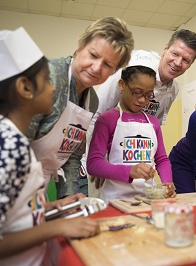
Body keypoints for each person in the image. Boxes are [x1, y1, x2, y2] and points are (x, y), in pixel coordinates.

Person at [0, 27, 100, 266]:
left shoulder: (11, 141)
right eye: (46, 80)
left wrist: (48, 209)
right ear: (25, 88)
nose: (54, 87)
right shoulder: (2, 144)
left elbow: (12, 220)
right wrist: (57, 227)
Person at [26, 17, 134, 199]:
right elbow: (14, 146)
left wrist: (68, 201)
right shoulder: (46, 79)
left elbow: (70, 154)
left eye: (108, 65)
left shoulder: (91, 101)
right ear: (79, 47)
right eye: (93, 55)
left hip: (37, 188)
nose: (96, 67)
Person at [87, 29, 196, 196]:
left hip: (140, 168)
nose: (178, 63)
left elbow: (152, 130)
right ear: (165, 49)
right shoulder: (133, 69)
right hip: (110, 166)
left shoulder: (173, 89)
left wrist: (165, 179)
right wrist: (103, 163)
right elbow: (95, 115)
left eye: (186, 60)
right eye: (175, 54)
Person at [86, 55, 176, 203]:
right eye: (136, 92)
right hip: (116, 199)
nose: (142, 100)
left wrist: (167, 182)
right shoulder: (107, 120)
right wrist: (129, 171)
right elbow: (94, 164)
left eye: (148, 95)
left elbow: (161, 159)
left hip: (147, 198)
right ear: (122, 85)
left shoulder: (153, 123)